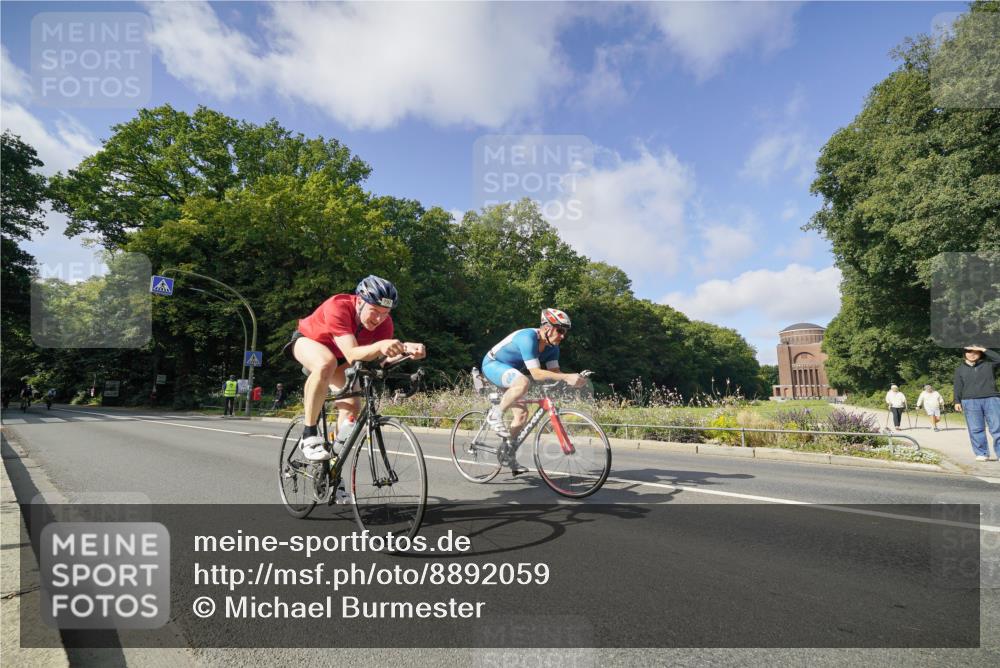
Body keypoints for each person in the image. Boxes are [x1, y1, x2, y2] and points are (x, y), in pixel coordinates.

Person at [289, 275, 426, 462]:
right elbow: (353, 354)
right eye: (374, 310)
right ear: (360, 301)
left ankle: (332, 470)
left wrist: (406, 351)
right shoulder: (338, 306)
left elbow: (381, 360)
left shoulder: (385, 324)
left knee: (352, 406)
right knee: (325, 363)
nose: (379, 318)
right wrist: (381, 346)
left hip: (340, 358)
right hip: (309, 341)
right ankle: (309, 434)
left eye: (385, 312)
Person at [481, 308, 588, 474]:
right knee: (523, 382)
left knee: (522, 415)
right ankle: (495, 414)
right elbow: (537, 374)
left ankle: (508, 454)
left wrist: (574, 380)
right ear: (546, 328)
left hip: (511, 372)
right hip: (492, 365)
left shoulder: (553, 347)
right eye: (560, 330)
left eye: (564, 332)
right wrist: (566, 377)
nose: (562, 335)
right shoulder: (528, 338)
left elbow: (556, 374)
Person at [953, 345, 1000, 462]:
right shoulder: (959, 369)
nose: (972, 354)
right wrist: (957, 401)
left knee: (997, 428)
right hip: (970, 401)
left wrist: (983, 349)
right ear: (964, 354)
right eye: (969, 351)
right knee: (975, 429)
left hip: (991, 399)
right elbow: (958, 386)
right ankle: (982, 453)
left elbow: (998, 359)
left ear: (980, 354)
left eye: (976, 352)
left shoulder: (988, 365)